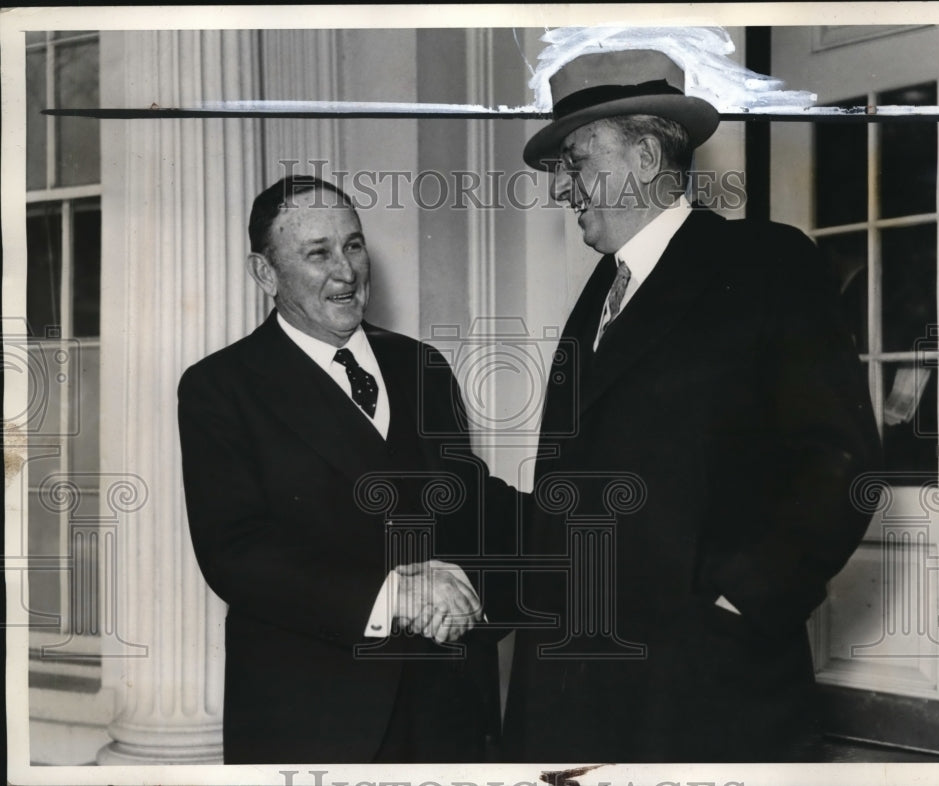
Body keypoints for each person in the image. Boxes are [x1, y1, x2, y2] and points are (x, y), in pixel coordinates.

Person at [501, 49, 883, 762]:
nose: (562, 189)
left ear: (645, 159)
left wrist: (743, 601)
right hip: (579, 681)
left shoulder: (765, 264)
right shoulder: (598, 298)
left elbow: (840, 458)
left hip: (706, 679)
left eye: (577, 161)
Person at [177, 176, 512, 763]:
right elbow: (236, 553)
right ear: (264, 274)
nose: (347, 271)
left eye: (353, 245)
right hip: (314, 720)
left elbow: (473, 504)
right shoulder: (219, 388)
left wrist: (471, 590)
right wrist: (395, 598)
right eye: (318, 253)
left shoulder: (422, 366)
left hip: (447, 709)